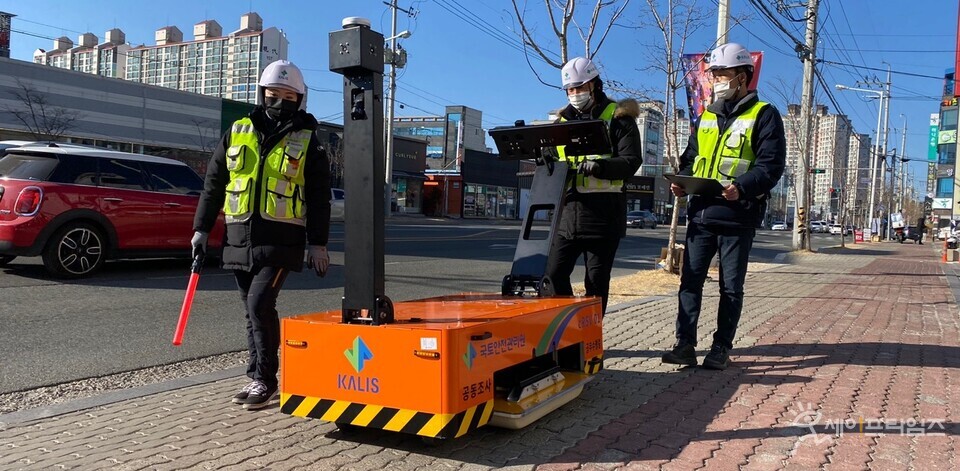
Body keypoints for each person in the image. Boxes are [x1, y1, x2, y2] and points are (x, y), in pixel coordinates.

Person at [192, 60, 332, 409]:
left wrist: (318, 243)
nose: (280, 100)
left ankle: (267, 379)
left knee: (260, 303)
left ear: (299, 99)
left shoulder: (309, 140)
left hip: (282, 238)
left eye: (289, 95)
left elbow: (318, 196)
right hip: (239, 236)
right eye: (274, 94)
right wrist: (201, 229)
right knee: (250, 309)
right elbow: (214, 184)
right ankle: (256, 376)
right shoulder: (237, 131)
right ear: (262, 94)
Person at [661, 43, 786, 370]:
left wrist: (741, 188)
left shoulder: (765, 115)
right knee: (690, 283)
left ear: (743, 77)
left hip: (738, 217)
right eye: (713, 74)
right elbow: (691, 160)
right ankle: (684, 345)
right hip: (700, 215)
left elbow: (771, 167)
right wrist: (681, 182)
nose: (716, 80)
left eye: (723, 74)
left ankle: (720, 348)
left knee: (731, 288)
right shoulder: (705, 116)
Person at [544, 56, 643, 314]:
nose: (574, 94)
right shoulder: (561, 123)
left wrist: (600, 167)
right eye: (570, 89)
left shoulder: (619, 117)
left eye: (579, 87)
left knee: (596, 283)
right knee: (552, 275)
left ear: (594, 85)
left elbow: (631, 161)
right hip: (568, 215)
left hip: (603, 216)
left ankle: (591, 340)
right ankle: (570, 329)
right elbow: (554, 162)